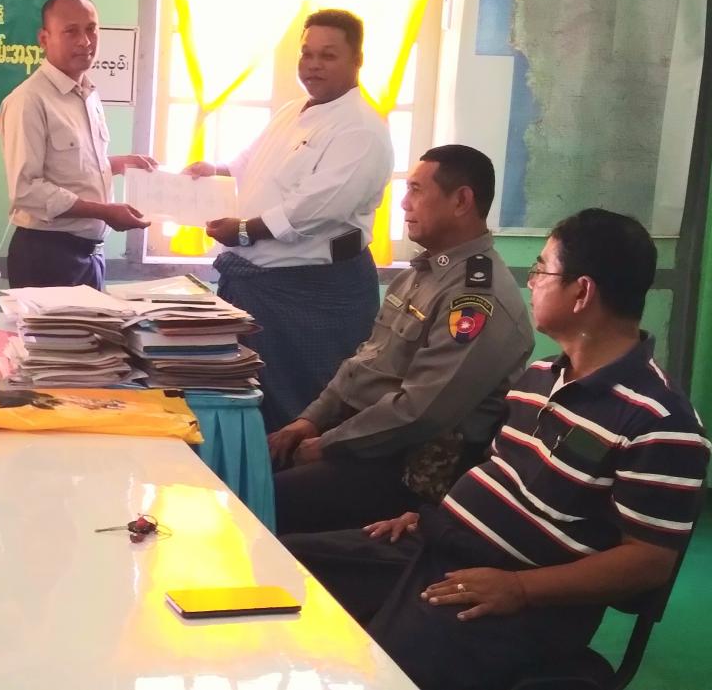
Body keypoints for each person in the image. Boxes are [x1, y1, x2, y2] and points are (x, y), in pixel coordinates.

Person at [282, 209, 707, 690]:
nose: (532, 282)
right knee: (285, 574)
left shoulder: (660, 422)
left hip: (514, 594)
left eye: (542, 269)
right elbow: (498, 472)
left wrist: (520, 588)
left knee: (372, 672)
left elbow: (648, 562)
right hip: (437, 547)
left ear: (582, 292)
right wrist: (432, 514)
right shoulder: (540, 377)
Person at [268, 146, 533, 535]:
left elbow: (420, 412)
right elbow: (364, 363)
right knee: (243, 467)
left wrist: (328, 444)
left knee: (264, 499)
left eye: (416, 190)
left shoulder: (476, 297)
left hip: (410, 467)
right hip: (363, 438)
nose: (404, 203)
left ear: (461, 201)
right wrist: (311, 419)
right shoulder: (420, 274)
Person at [184, 9, 394, 430]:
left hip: (314, 292)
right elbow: (252, 162)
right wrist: (216, 171)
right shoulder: (291, 111)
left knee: (308, 408)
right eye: (307, 54)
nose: (313, 65)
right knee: (254, 401)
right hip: (261, 288)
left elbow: (316, 209)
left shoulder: (361, 129)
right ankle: (257, 471)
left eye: (328, 55)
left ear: (357, 61)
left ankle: (296, 474)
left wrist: (244, 231)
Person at [0, 0, 156, 290]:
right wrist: (104, 212)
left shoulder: (88, 94)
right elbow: (26, 190)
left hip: (91, 254)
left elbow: (74, 166)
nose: (85, 41)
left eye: (91, 29)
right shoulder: (28, 100)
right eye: (71, 31)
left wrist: (118, 165)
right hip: (46, 255)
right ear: (44, 39)